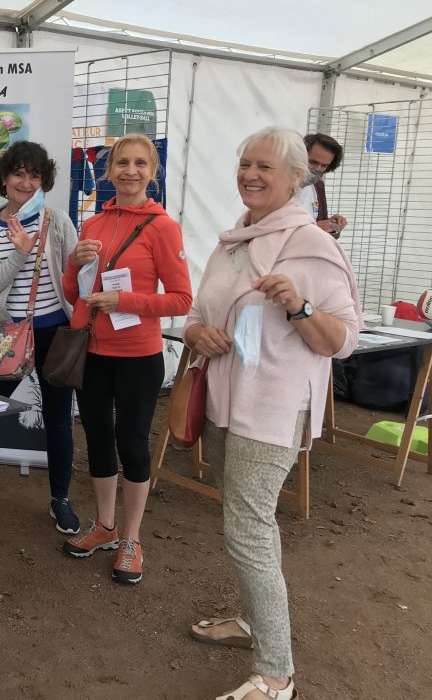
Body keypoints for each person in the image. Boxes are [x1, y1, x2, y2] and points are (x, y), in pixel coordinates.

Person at [185, 127, 361, 700]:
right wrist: (198, 332)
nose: (250, 175)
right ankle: (254, 622)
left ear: (294, 178)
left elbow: (341, 339)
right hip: (225, 401)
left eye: (263, 166)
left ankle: (277, 674)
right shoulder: (234, 238)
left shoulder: (312, 245)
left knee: (249, 527)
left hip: (272, 407)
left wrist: (299, 304)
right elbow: (196, 311)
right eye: (243, 164)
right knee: (241, 523)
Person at [61, 133, 192, 585]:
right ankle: (105, 526)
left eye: (140, 164)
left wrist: (127, 301)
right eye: (122, 163)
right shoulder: (93, 225)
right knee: (97, 439)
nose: (130, 171)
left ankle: (132, 539)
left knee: (132, 445)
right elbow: (73, 292)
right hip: (93, 352)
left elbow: (181, 300)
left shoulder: (162, 227)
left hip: (138, 356)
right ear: (109, 170)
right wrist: (72, 264)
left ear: (152, 173)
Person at [0, 141, 80, 532]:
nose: (26, 182)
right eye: (18, 173)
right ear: (4, 178)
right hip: (3, 335)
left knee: (58, 420)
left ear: (44, 181)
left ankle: (60, 499)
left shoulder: (57, 221)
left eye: (34, 175)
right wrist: (20, 254)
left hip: (55, 333)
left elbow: (74, 279)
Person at [298, 133, 347, 237]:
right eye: (312, 162)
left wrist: (332, 225)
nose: (318, 169)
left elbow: (322, 228)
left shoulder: (318, 186)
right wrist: (313, 228)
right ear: (299, 155)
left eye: (324, 165)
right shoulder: (277, 184)